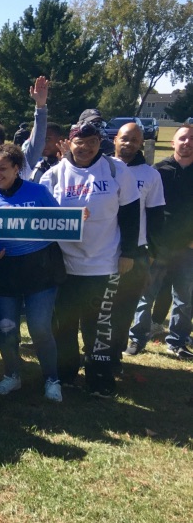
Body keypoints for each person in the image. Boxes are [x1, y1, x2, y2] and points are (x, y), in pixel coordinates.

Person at [40, 121, 139, 398]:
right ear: (69, 143)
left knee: (99, 325)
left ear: (100, 143)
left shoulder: (116, 170)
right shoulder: (54, 175)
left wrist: (129, 252)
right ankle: (67, 374)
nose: (85, 148)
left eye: (92, 142)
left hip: (104, 262)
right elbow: (42, 219)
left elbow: (131, 215)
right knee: (64, 324)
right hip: (65, 265)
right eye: (79, 142)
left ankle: (100, 378)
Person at [0, 146, 63, 401]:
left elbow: (60, 224)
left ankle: (52, 379)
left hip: (40, 269)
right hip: (6, 272)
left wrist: (75, 220)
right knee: (7, 329)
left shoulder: (38, 191)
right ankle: (12, 375)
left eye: (3, 168)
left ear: (17, 168)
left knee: (40, 328)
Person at [129, 124, 193, 358]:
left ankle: (177, 341)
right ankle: (137, 339)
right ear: (174, 143)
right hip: (158, 245)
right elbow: (147, 208)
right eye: (182, 138)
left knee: (185, 299)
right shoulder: (159, 171)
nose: (187, 143)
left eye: (191, 139)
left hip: (188, 248)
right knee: (146, 295)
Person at [111, 122, 165, 361]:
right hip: (102, 250)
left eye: (134, 140)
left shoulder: (150, 174)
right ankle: (95, 351)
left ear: (141, 143)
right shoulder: (104, 169)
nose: (128, 143)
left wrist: (151, 253)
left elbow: (156, 217)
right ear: (115, 140)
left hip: (136, 253)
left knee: (124, 307)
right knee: (98, 308)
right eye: (124, 138)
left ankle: (115, 353)